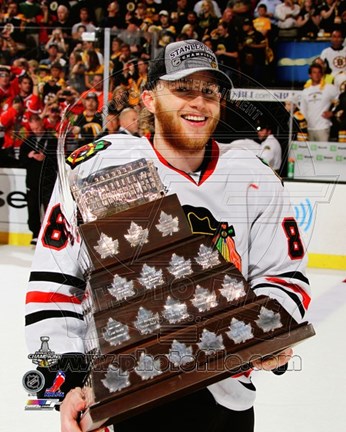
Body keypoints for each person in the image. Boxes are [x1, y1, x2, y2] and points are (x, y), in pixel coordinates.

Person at [25, 40, 310, 432]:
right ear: (149, 99)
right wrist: (66, 381)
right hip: (118, 392)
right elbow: (55, 284)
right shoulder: (98, 164)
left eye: (209, 91)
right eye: (182, 89)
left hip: (223, 392)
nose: (198, 102)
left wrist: (271, 333)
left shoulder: (254, 175)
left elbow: (284, 277)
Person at [19, 114, 57, 245]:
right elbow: (21, 161)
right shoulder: (27, 142)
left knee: (49, 209)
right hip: (32, 183)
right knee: (33, 208)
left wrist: (45, 158)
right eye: (34, 129)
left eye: (38, 127)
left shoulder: (52, 140)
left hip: (48, 182)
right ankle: (35, 233)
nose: (37, 131)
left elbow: (58, 161)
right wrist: (29, 156)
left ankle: (50, 232)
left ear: (42, 123)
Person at [300, 63, 339, 141]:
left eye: (319, 72)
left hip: (324, 127)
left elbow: (341, 101)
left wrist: (333, 112)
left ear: (322, 74)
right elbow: (303, 110)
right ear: (310, 75)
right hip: (309, 128)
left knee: (324, 152)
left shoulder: (330, 88)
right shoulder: (305, 91)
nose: (317, 75)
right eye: (314, 72)